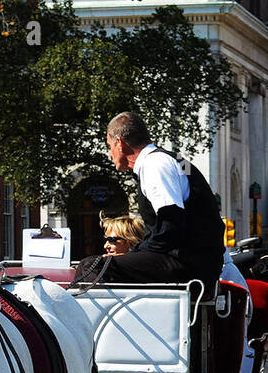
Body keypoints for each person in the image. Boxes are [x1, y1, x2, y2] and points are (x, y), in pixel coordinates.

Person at [77, 112, 226, 297]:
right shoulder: (175, 159)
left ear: (120, 143)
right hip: (200, 262)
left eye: (110, 147)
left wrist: (134, 253)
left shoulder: (154, 165)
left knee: (92, 265)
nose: (110, 154)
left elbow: (170, 226)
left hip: (185, 264)